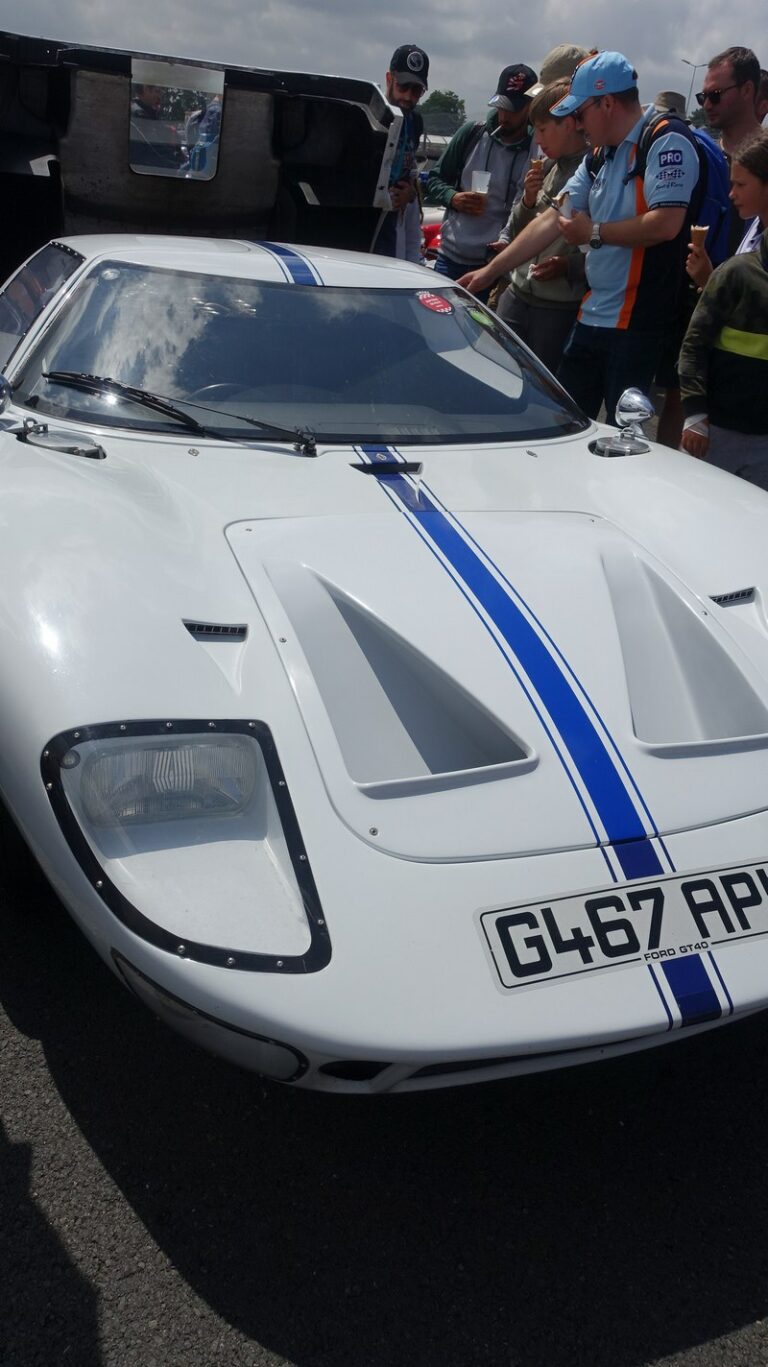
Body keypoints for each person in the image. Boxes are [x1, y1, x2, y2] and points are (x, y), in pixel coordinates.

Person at [459, 51, 701, 425]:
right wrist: (489, 273)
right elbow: (552, 218)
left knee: (621, 437)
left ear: (607, 103)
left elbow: (666, 223)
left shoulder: (666, 139)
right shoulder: (600, 154)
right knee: (564, 423)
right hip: (593, 314)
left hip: (637, 323)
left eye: (580, 112)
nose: (577, 123)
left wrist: (595, 232)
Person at [679, 131, 768, 485]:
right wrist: (695, 415)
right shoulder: (740, 266)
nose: (731, 194)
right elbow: (696, 342)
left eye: (740, 185)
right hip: (720, 428)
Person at [493, 79, 588, 373]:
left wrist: (568, 266)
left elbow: (604, 244)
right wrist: (528, 200)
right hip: (517, 292)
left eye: (543, 130)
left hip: (556, 307)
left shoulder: (594, 172)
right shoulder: (548, 167)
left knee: (540, 384)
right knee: (497, 372)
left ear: (569, 124)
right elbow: (521, 231)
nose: (537, 140)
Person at [427, 63, 536, 294]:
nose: (504, 116)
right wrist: (453, 197)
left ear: (530, 107)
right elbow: (434, 179)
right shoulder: (472, 133)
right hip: (450, 257)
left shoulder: (535, 149)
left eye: (513, 109)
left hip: (494, 265)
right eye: (501, 106)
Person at [372, 44, 428, 261]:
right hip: (369, 224)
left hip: (400, 219)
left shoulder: (415, 121)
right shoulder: (371, 116)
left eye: (416, 91)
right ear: (389, 79)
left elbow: (410, 169)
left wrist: (411, 194)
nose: (408, 96)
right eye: (403, 87)